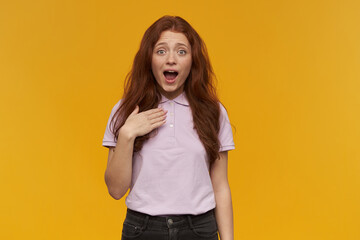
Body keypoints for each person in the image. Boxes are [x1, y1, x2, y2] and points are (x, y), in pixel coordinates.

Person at [102, 15, 235, 240]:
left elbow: (220, 187)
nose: (171, 59)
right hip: (143, 229)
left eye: (181, 51)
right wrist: (126, 134)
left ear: (193, 61)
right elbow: (116, 190)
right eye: (161, 51)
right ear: (149, 59)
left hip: (199, 229)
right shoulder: (125, 110)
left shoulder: (213, 112)